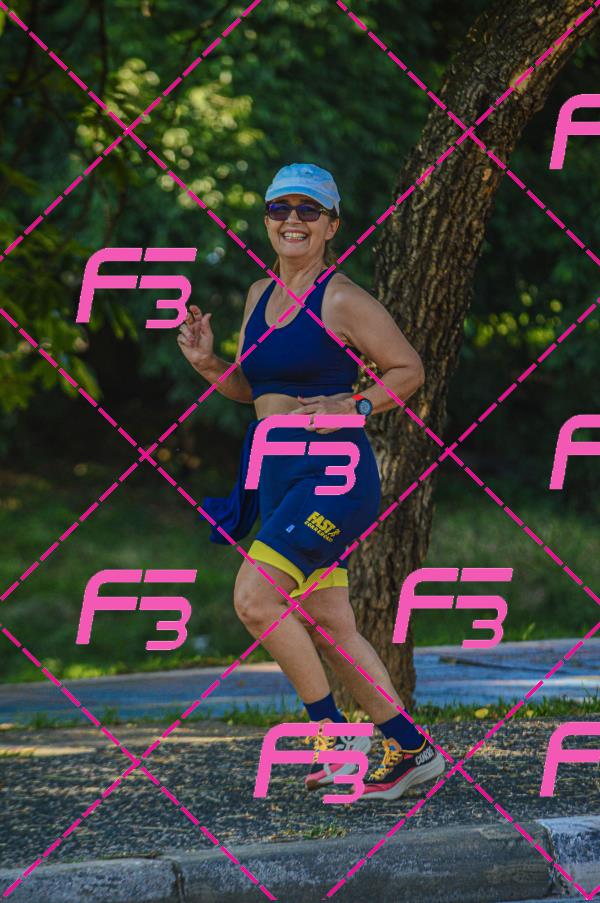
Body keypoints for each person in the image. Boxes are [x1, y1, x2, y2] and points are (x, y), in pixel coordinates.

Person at [177, 162, 445, 801]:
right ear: (267, 220)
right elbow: (256, 390)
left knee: (255, 600)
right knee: (330, 622)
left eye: (308, 210)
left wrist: (354, 405)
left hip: (332, 475)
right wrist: (208, 363)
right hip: (276, 475)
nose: (292, 220)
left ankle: (335, 740)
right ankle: (411, 750)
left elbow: (408, 369)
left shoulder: (341, 298)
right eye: (280, 208)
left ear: (331, 225)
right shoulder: (258, 295)